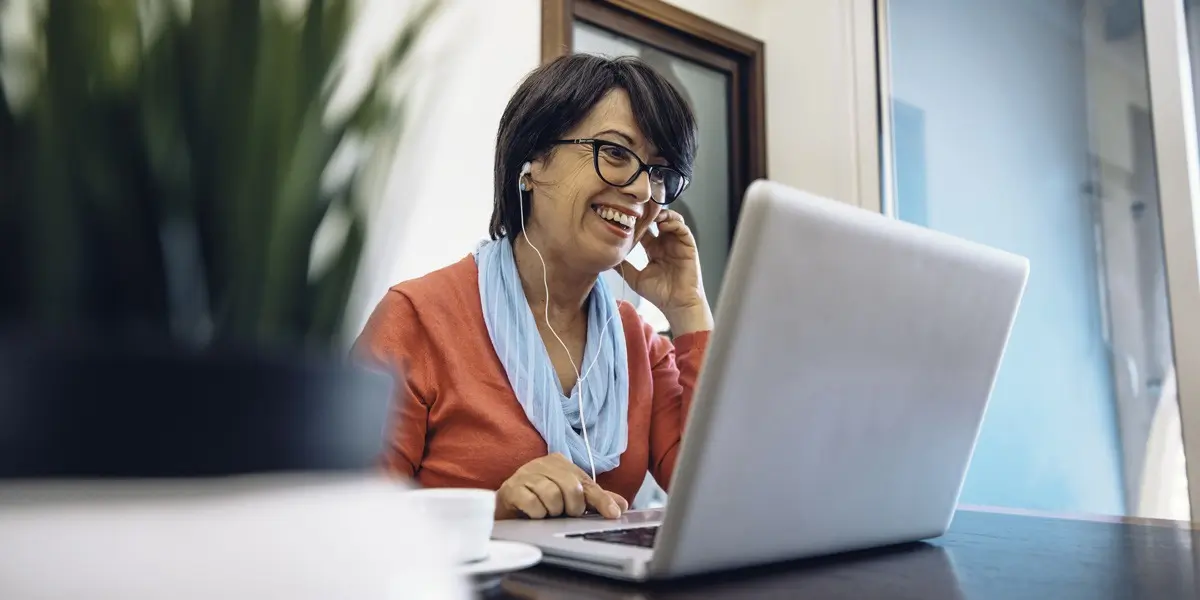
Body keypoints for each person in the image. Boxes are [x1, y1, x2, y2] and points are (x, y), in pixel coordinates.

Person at [353, 53, 712, 521]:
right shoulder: (416, 318)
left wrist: (689, 308)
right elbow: (348, 522)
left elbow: (721, 491)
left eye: (659, 172)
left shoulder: (638, 344)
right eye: (616, 153)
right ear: (532, 162)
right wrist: (492, 514)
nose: (643, 191)